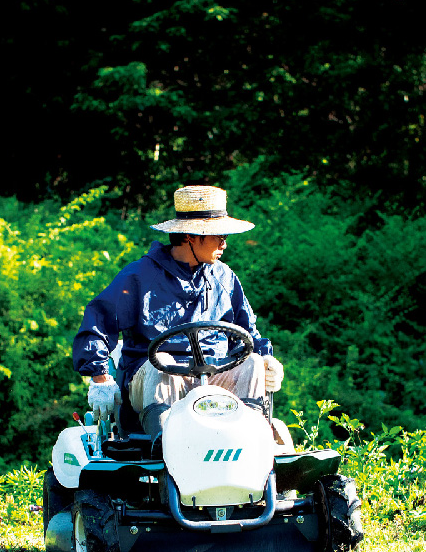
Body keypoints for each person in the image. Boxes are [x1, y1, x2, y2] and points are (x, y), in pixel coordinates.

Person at [72, 185, 284, 442]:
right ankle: (165, 446)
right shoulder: (139, 276)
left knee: (251, 363)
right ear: (190, 236)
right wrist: (100, 377)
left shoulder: (224, 277)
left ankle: (251, 443)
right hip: (155, 377)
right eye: (217, 235)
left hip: (213, 373)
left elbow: (247, 331)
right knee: (164, 365)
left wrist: (266, 360)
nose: (224, 244)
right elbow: (98, 321)